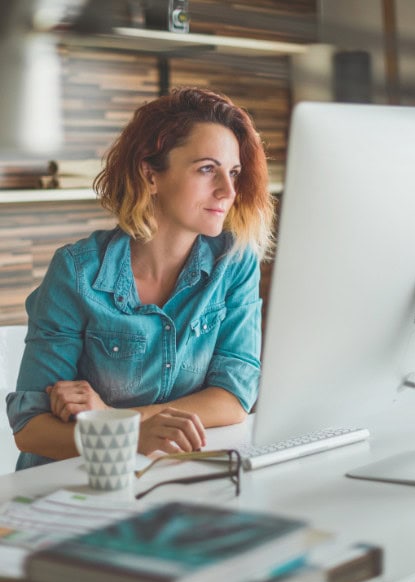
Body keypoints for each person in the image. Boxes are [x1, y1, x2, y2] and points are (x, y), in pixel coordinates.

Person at [6, 87, 275, 470]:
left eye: (233, 173)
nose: (228, 191)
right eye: (206, 169)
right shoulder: (76, 272)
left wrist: (116, 417)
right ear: (150, 175)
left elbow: (233, 399)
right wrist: (131, 437)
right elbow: (31, 428)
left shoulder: (234, 262)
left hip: (164, 476)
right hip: (69, 486)